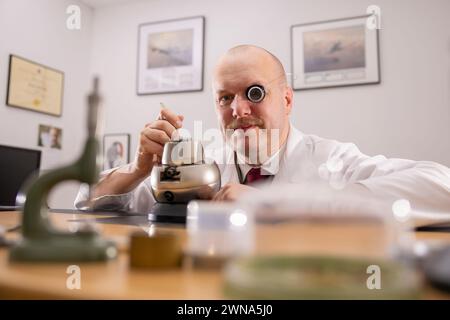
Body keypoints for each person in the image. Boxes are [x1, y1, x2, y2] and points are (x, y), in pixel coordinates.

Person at [75, 45, 450, 215]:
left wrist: (269, 204)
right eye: (224, 98)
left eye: (254, 92)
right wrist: (138, 169)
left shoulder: (330, 158)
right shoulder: (204, 165)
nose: (238, 109)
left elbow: (441, 187)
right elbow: (87, 201)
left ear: (287, 101)